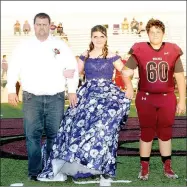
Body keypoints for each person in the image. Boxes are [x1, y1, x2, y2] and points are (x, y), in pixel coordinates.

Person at [37, 25, 133, 184]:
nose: (99, 39)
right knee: (75, 127)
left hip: (107, 95)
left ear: (106, 38)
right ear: (91, 38)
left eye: (102, 36)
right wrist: (71, 90)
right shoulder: (85, 55)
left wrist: (129, 87)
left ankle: (101, 166)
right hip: (87, 94)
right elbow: (74, 74)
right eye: (95, 36)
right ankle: (80, 166)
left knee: (104, 129)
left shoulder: (112, 56)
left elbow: (124, 72)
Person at [7, 12, 79, 181]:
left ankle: (52, 170)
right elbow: (13, 68)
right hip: (32, 97)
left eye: (44, 24)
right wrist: (11, 89)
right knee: (33, 136)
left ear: (49, 25)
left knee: (55, 135)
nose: (41, 27)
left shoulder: (60, 45)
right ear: (34, 26)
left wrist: (72, 89)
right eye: (38, 24)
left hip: (56, 97)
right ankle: (34, 171)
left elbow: (71, 67)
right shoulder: (24, 46)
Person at [124, 18, 186, 180]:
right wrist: (128, 83)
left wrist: (182, 99)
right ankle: (144, 167)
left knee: (166, 132)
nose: (155, 35)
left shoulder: (173, 50)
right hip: (146, 97)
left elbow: (180, 77)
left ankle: (168, 167)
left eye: (158, 32)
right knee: (147, 131)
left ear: (163, 33)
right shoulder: (140, 49)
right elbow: (126, 71)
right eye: (152, 32)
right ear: (147, 33)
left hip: (167, 98)